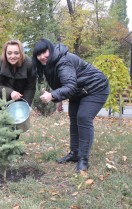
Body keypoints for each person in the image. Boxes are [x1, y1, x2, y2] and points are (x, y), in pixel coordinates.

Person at [32, 38, 110, 172]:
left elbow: (69, 85)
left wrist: (52, 95)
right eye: (38, 55)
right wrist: (56, 96)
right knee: (74, 118)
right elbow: (64, 83)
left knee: (83, 117)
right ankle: (75, 153)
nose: (42, 57)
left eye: (44, 52)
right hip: (79, 90)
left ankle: (83, 160)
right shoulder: (50, 63)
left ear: (50, 49)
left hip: (96, 87)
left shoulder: (63, 61)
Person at [0, 40, 36, 113]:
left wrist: (25, 106)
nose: (12, 56)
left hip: (19, 88)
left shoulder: (29, 64)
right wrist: (11, 92)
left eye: (16, 53)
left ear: (21, 53)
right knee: (2, 116)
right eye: (9, 53)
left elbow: (30, 88)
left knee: (20, 114)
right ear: (5, 53)